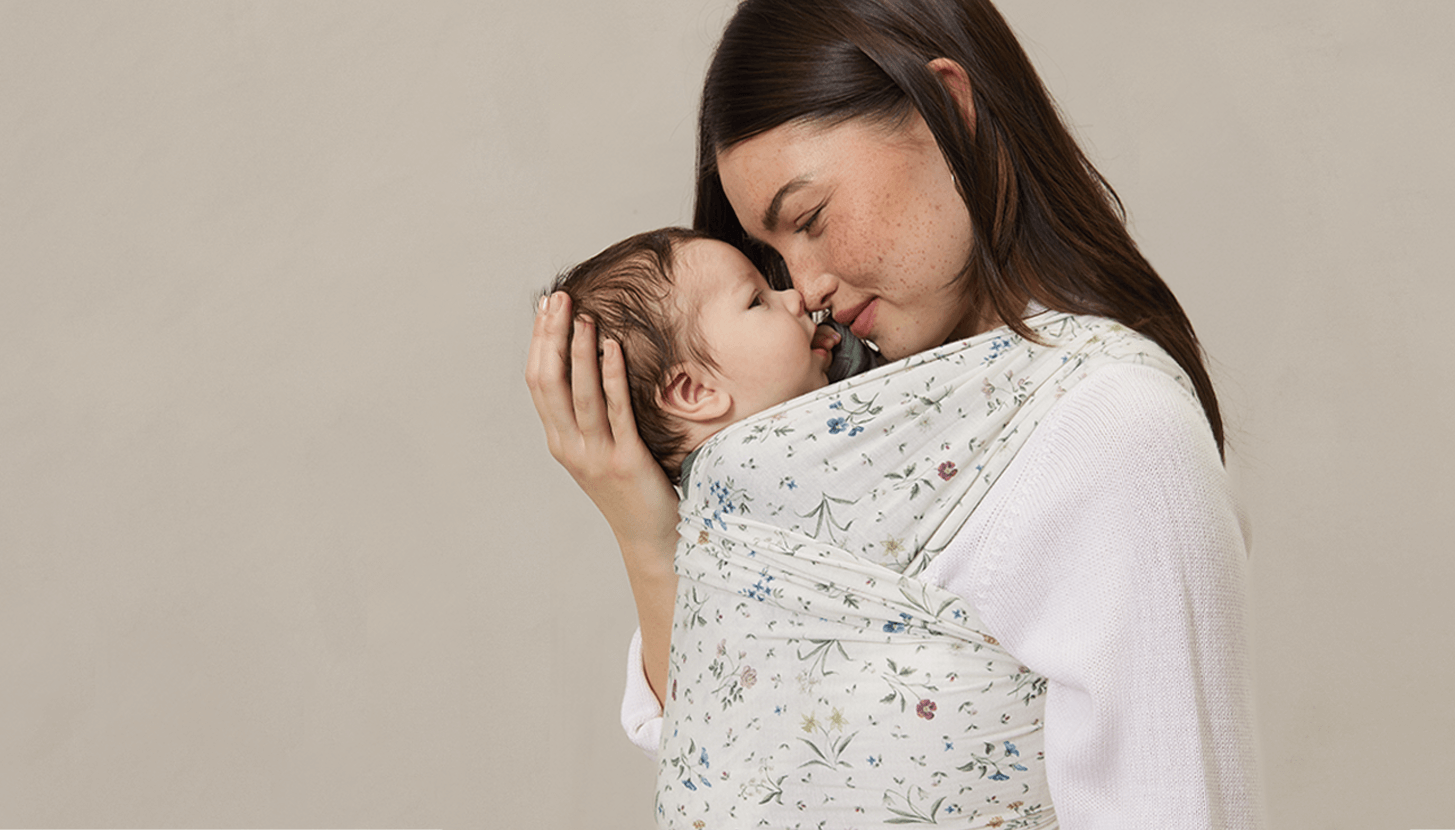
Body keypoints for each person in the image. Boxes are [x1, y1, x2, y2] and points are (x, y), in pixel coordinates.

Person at [523, 0, 1258, 827]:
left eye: (810, 219)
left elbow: (1174, 805)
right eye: (774, 254)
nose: (803, 285)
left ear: (947, 114)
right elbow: (735, 762)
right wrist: (648, 537)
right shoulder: (833, 443)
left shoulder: (1112, 431)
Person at [539, 226, 844, 484]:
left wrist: (847, 358)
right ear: (694, 391)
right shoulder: (747, 494)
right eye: (756, 301)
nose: (795, 297)